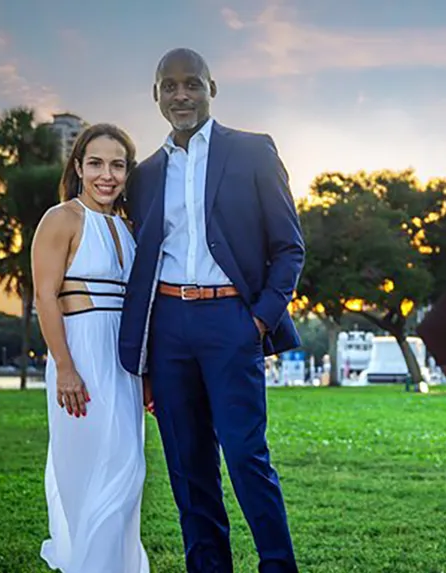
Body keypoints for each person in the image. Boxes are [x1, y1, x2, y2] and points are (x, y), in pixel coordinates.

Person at [118, 48, 305, 572]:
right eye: (170, 86)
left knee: (246, 456)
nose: (182, 95)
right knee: (187, 466)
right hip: (169, 328)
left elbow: (289, 246)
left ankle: (277, 566)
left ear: (211, 89)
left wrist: (261, 318)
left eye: (192, 84)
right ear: (155, 95)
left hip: (232, 322)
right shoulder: (146, 174)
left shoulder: (252, 152)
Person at [32, 123, 151, 572]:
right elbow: (45, 296)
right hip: (79, 355)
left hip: (123, 361)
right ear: (79, 166)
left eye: (117, 165)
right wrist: (65, 367)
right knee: (91, 477)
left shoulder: (128, 225)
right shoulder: (61, 218)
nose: (107, 175)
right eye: (96, 163)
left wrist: (145, 372)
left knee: (129, 473)